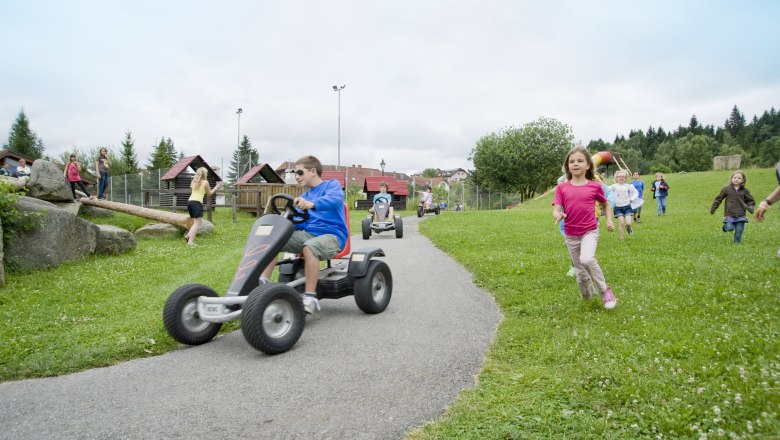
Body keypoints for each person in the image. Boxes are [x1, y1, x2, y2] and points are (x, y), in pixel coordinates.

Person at [259, 155, 348, 315]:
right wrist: (286, 219)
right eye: (295, 173)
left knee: (310, 247)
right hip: (309, 234)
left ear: (313, 171)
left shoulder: (331, 185)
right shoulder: (304, 197)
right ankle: (262, 284)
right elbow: (301, 222)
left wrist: (313, 204)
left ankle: (310, 297)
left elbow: (335, 199)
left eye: (300, 172)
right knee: (273, 240)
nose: (297, 176)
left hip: (333, 236)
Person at [552, 146, 617, 309]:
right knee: (580, 272)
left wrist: (609, 220)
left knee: (587, 259)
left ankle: (604, 291)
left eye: (580, 161)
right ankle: (588, 297)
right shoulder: (562, 187)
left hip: (589, 231)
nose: (575, 164)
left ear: (588, 165)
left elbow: (605, 204)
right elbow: (556, 208)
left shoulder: (594, 186)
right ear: (567, 166)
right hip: (571, 234)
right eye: (571, 161)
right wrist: (558, 214)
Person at [710, 170, 755, 244]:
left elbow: (750, 201)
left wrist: (750, 207)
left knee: (739, 230)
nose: (736, 179)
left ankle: (737, 244)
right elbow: (718, 199)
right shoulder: (726, 189)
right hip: (729, 214)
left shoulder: (745, 191)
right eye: (735, 178)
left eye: (739, 178)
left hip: (741, 214)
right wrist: (713, 208)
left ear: (742, 180)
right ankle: (725, 227)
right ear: (731, 179)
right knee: (730, 228)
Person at [185, 167, 222, 247]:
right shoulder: (205, 182)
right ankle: (190, 242)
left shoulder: (193, 181)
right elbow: (209, 193)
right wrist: (216, 187)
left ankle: (188, 235)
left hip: (190, 202)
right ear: (205, 174)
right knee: (197, 223)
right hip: (197, 203)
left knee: (197, 222)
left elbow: (193, 188)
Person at [609, 170, 639, 240]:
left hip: (627, 206)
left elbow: (636, 193)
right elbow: (605, 190)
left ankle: (628, 227)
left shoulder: (629, 186)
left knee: (628, 223)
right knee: (621, 222)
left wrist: (632, 198)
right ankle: (621, 238)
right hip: (618, 207)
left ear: (625, 178)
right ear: (616, 178)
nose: (621, 178)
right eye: (619, 176)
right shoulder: (613, 186)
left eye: (623, 176)